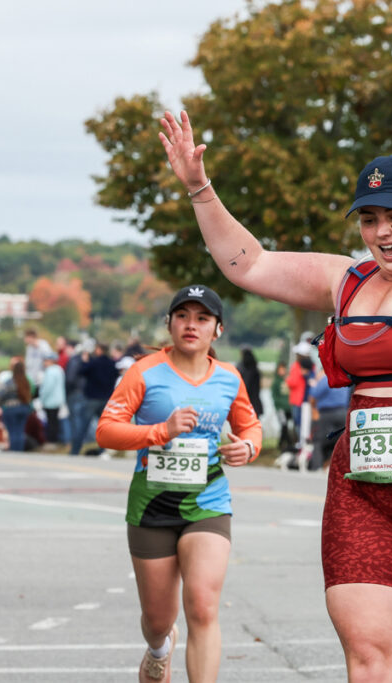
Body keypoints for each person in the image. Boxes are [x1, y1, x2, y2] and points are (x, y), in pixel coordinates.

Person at [159, 54, 392, 682]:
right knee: (372, 660)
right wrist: (199, 187)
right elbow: (250, 265)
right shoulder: (345, 280)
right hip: (364, 486)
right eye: (370, 219)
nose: (381, 232)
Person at [96, 285, 262, 683]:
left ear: (217, 330)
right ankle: (159, 646)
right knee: (158, 619)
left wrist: (248, 449)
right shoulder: (144, 372)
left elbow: (250, 427)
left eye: (202, 318)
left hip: (208, 502)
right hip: (152, 506)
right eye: (183, 316)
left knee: (203, 606)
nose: (191, 325)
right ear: (169, 324)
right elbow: (106, 431)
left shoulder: (228, 378)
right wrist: (159, 431)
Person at [0, 359, 33, 452]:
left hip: (11, 408)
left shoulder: (9, 382)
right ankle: (20, 451)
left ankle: (13, 451)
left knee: (12, 431)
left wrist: (0, 404)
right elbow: (32, 393)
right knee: (20, 431)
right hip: (24, 408)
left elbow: (0, 395)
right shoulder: (27, 381)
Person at [39, 351, 66, 445]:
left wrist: (41, 399)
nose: (44, 362)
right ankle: (56, 440)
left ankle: (52, 441)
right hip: (58, 400)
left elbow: (47, 387)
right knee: (55, 422)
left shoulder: (50, 371)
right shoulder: (59, 370)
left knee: (51, 422)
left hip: (50, 401)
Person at [236, 347, 264, 419]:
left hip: (244, 402)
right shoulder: (255, 368)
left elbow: (244, 386)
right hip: (255, 402)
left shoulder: (242, 368)